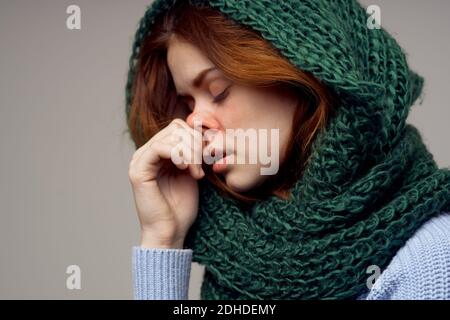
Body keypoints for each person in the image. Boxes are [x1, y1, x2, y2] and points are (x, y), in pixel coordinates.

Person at [125, 0, 450, 300]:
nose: (193, 122)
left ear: (304, 74)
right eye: (187, 104)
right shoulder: (243, 257)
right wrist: (162, 239)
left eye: (218, 90)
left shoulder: (431, 259)